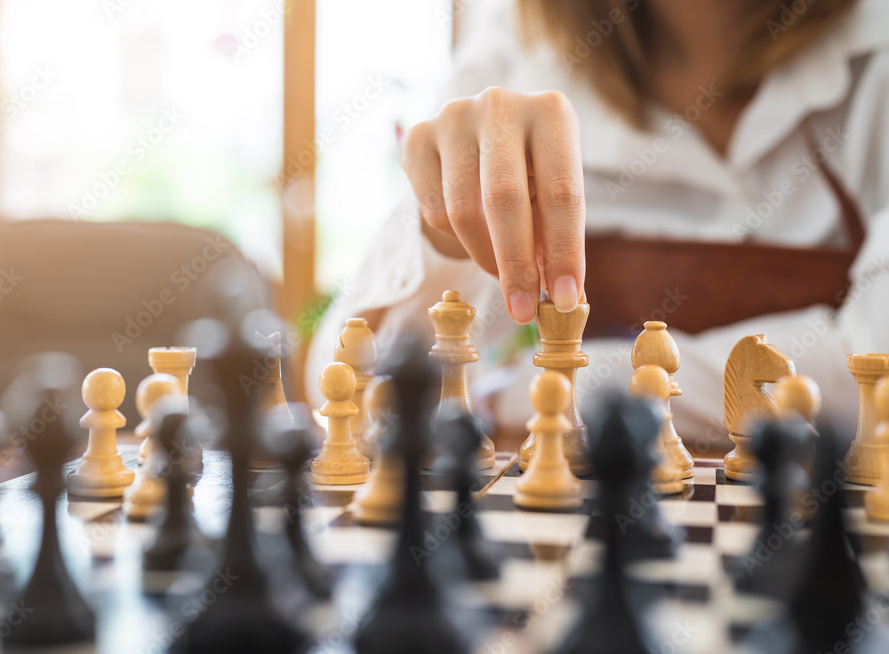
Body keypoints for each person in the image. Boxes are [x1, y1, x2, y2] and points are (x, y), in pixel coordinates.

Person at [307, 0, 889, 450]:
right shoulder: (517, 44)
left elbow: (874, 368)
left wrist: (531, 394)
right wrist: (444, 232)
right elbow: (349, 392)